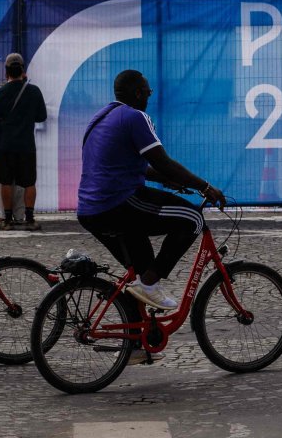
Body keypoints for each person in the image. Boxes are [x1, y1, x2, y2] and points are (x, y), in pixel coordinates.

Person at [76, 69, 224, 312]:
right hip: (118, 202)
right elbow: (162, 162)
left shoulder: (101, 117)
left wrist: (167, 181)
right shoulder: (135, 117)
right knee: (193, 219)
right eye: (147, 92)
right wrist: (206, 187)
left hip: (90, 210)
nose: (149, 97)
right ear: (137, 93)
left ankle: (135, 346)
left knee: (138, 272)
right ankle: (150, 282)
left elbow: (131, 165)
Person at [0, 52, 46, 230]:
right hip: (27, 145)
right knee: (29, 182)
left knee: (6, 181)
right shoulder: (34, 91)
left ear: (6, 72)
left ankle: (6, 219)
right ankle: (29, 218)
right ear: (23, 70)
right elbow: (41, 116)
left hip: (5, 145)